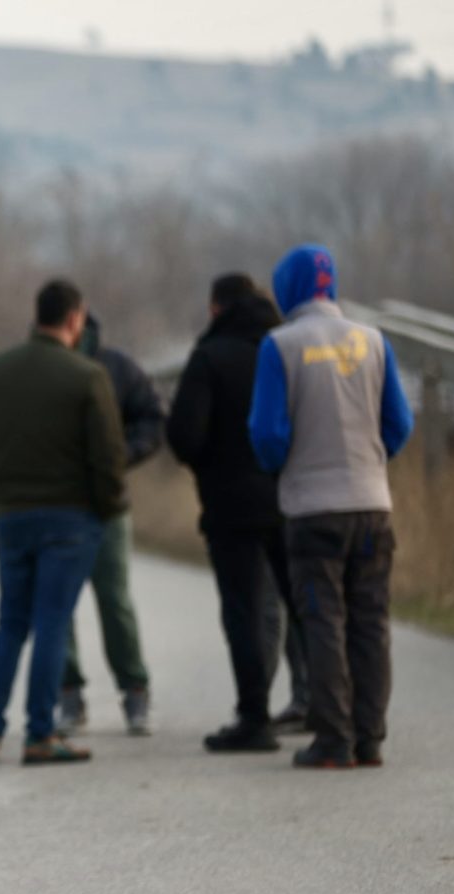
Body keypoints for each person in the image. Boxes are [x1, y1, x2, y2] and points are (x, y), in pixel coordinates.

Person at [249, 244, 413, 769]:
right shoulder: (374, 340)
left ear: (287, 290)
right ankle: (370, 738)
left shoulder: (280, 345)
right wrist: (367, 458)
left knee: (323, 619)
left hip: (313, 509)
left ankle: (333, 738)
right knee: (371, 619)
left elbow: (267, 435)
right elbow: (400, 426)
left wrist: (291, 464)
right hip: (371, 502)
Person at [0, 280, 125, 766]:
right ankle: (39, 733)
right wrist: (105, 509)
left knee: (10, 623)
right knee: (53, 624)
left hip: (12, 516)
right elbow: (108, 457)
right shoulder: (87, 376)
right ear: (75, 318)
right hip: (71, 519)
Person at [166, 273, 307, 753]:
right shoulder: (289, 347)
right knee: (306, 604)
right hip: (293, 496)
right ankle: (328, 707)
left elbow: (184, 434)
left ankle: (254, 717)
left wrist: (212, 466)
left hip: (230, 504)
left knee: (244, 611)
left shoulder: (210, 356)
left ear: (215, 308)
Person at [56, 313, 162, 736]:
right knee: (58, 604)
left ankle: (135, 690)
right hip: (56, 502)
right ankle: (68, 695)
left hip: (107, 504)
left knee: (114, 600)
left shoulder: (115, 366)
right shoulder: (42, 367)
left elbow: (154, 417)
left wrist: (121, 458)